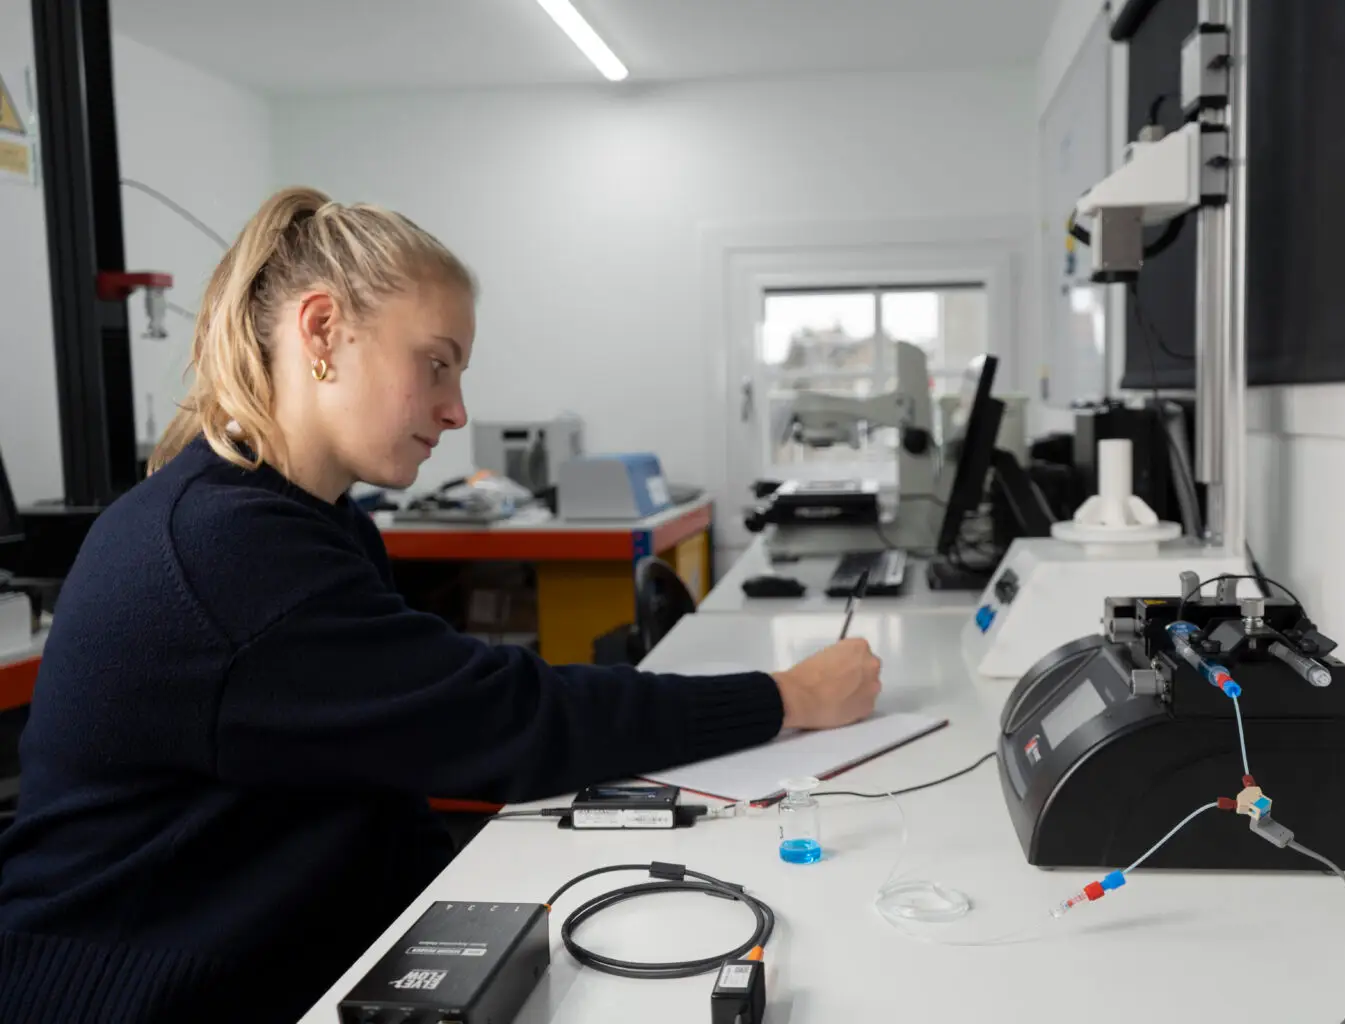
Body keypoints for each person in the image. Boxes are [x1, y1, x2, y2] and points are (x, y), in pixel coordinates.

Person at [0, 187, 882, 1023]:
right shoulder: (222, 547)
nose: (457, 410)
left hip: (265, 948)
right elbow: (499, 717)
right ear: (321, 330)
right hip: (133, 989)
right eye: (435, 365)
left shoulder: (319, 523)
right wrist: (784, 698)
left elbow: (395, 768)